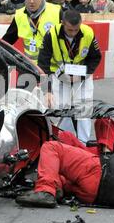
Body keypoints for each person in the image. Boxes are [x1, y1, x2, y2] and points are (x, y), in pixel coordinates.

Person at [38, 9, 101, 143]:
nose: (73, 33)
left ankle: (83, 142)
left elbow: (95, 58)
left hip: (82, 75)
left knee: (83, 109)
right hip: (59, 76)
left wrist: (82, 76)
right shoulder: (51, 35)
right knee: (61, 108)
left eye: (76, 30)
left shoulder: (88, 32)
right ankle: (60, 140)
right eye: (70, 30)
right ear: (62, 23)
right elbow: (43, 64)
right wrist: (47, 90)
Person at [2, 0, 62, 64]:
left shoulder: (56, 11)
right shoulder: (20, 14)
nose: (31, 1)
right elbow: (7, 41)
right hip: (30, 67)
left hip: (53, 67)